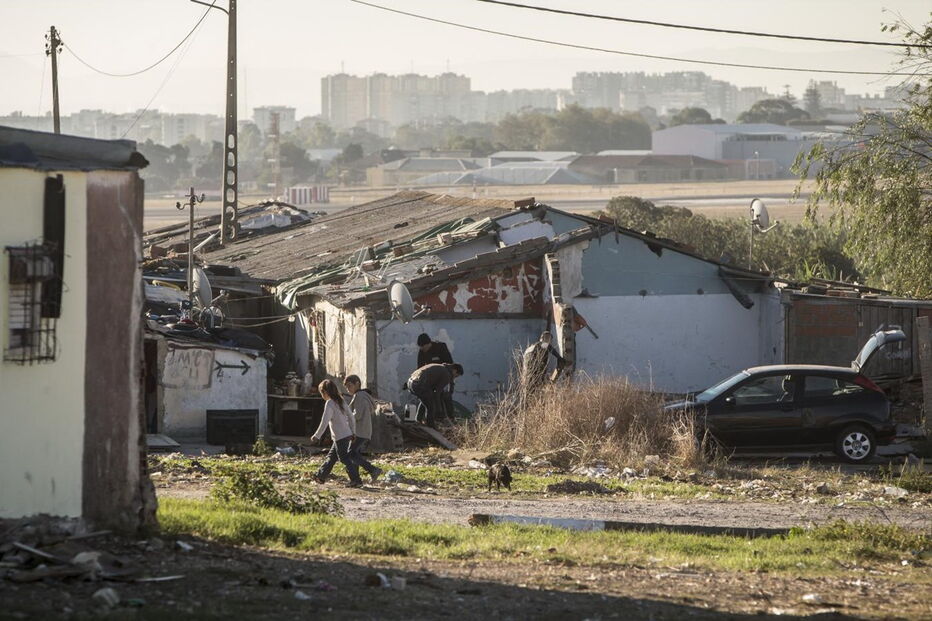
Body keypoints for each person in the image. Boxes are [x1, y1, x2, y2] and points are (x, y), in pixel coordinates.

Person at [309, 379, 363, 487]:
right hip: (345, 435)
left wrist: (317, 436)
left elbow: (324, 422)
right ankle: (320, 476)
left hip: (341, 436)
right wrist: (353, 432)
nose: (322, 396)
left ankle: (356, 480)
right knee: (331, 457)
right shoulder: (341, 401)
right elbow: (351, 417)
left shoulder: (330, 403)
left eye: (321, 393)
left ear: (325, 392)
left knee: (344, 458)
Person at [343, 375, 382, 483]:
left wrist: (346, 419)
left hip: (359, 431)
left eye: (349, 386)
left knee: (350, 454)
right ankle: (356, 480)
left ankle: (373, 470)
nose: (348, 389)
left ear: (357, 384)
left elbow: (358, 415)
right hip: (364, 431)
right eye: (346, 387)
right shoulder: (364, 396)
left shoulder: (359, 396)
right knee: (354, 455)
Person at [407, 362, 463, 428]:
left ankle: (418, 420)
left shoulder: (442, 367)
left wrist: (450, 388)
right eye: (456, 376)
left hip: (411, 383)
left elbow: (440, 387)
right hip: (419, 385)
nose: (455, 377)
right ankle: (430, 426)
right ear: (454, 370)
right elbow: (437, 393)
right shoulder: (446, 374)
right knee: (431, 406)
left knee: (426, 401)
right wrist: (439, 410)